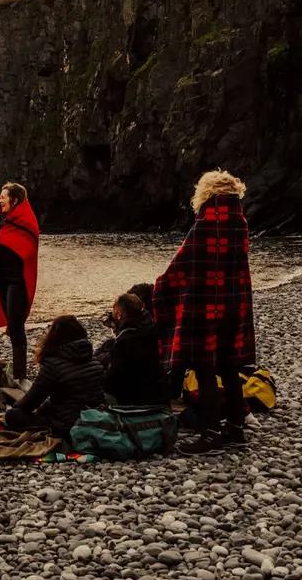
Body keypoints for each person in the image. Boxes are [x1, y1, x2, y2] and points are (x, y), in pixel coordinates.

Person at [153, 170, 256, 455]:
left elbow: (182, 264)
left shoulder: (206, 223)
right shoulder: (240, 222)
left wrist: (159, 288)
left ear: (205, 193)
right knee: (229, 367)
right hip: (234, 307)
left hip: (205, 306)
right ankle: (235, 430)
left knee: (205, 368)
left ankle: (210, 434)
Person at [3, 315, 105, 437]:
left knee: (11, 415)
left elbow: (30, 402)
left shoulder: (53, 365)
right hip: (95, 421)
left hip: (66, 426)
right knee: (48, 405)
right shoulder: (94, 362)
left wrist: (16, 407)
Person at [0, 182, 40, 381]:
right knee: (12, 324)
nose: (1, 200)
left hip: (17, 283)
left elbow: (28, 249)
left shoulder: (24, 222)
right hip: (2, 281)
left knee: (16, 326)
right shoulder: (3, 221)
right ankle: (18, 373)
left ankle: (20, 375)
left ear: (14, 200)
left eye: (4, 197)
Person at [99, 292, 169, 405]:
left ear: (119, 314)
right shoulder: (153, 332)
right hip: (159, 397)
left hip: (136, 402)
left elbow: (112, 382)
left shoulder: (124, 342)